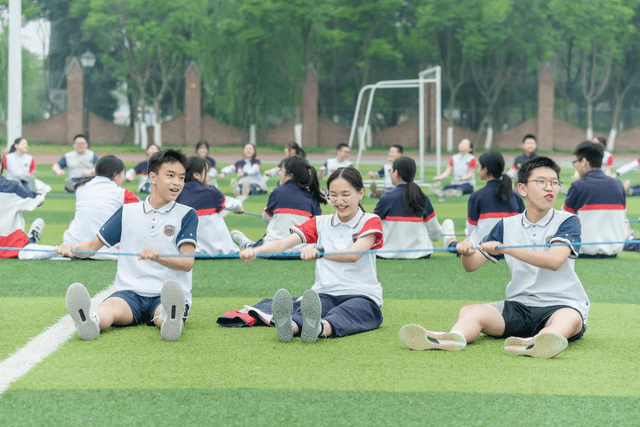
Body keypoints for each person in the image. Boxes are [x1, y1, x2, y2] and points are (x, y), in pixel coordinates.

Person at [400, 156, 589, 359]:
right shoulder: (506, 225)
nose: (549, 188)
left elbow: (554, 261)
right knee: (471, 311)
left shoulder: (568, 221)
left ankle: (543, 340)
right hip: (519, 306)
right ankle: (452, 337)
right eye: (541, 182)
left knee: (569, 319)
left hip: (562, 304)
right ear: (522, 189)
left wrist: (507, 249)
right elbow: (471, 266)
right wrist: (466, 253)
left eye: (554, 183)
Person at [56, 149, 198, 342]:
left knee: (164, 311)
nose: (177, 183)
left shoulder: (187, 214)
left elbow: (187, 262)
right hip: (130, 292)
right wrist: (70, 249)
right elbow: (90, 247)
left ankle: (169, 321)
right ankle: (90, 320)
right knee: (111, 308)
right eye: (170, 176)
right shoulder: (127, 212)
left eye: (181, 178)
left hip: (167, 292)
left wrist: (158, 256)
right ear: (153, 177)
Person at [239, 166, 384, 343]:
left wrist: (319, 252)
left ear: (360, 193)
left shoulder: (370, 220)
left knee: (349, 311)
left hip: (362, 295)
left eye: (346, 195)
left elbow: (354, 254)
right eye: (333, 195)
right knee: (314, 306)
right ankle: (290, 327)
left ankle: (320, 328)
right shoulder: (320, 223)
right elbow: (283, 243)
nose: (339, 201)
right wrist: (255, 250)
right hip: (326, 292)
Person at [22, 156, 140, 261]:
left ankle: (31, 240)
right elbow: (146, 211)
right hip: (104, 251)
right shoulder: (123, 193)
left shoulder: (81, 186)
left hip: (72, 246)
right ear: (116, 175)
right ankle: (32, 240)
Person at [230, 156, 325, 253]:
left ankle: (247, 245)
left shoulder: (277, 192)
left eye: (281, 171)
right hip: (303, 251)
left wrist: (266, 212)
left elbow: (268, 219)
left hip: (273, 249)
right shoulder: (311, 196)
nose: (279, 173)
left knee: (262, 243)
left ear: (290, 175)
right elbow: (320, 225)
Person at [441, 150, 525, 251]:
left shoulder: (477, 196)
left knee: (461, 243)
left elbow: (471, 229)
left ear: (485, 170)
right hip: (511, 249)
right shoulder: (516, 196)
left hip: (481, 249)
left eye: (478, 166)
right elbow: (523, 226)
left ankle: (450, 241)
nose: (477, 168)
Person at [563, 141, 626, 258]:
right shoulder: (618, 184)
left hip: (584, 252)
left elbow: (565, 219)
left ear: (584, 162)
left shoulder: (578, 186)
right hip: (613, 252)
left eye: (576, 161)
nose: (576, 165)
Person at [373, 156, 441, 259]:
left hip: (387, 254)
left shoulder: (386, 198)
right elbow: (435, 234)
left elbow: (371, 226)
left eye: (390, 170)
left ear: (395, 173)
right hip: (421, 254)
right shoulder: (422, 197)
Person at [176, 156, 244, 255]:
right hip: (221, 251)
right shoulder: (211, 191)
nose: (210, 175)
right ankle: (245, 243)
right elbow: (237, 204)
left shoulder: (176, 193)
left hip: (189, 251)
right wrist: (238, 209)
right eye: (207, 172)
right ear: (196, 175)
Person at [0, 155, 45, 258]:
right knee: (27, 248)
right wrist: (40, 195)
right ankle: (32, 237)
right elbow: (36, 201)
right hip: (11, 244)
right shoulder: (12, 187)